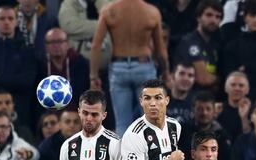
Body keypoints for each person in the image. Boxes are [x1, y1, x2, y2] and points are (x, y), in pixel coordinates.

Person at [89, 0, 170, 135]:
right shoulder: (151, 12)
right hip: (144, 67)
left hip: (118, 67)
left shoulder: (109, 10)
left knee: (122, 124)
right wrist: (166, 72)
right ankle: (152, 155)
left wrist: (93, 76)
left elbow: (96, 46)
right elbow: (160, 50)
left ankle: (125, 156)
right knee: (152, 121)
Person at [176, 90, 232, 160]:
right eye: (200, 109)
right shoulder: (183, 132)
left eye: (208, 109)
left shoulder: (222, 135)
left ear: (214, 111)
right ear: (193, 110)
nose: (204, 113)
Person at [173, 0, 223, 91]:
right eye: (209, 15)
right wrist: (221, 79)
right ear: (198, 17)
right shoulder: (190, 42)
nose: (213, 20)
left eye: (218, 17)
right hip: (190, 96)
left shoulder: (216, 43)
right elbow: (204, 79)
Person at [40, 27, 91, 110]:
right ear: (46, 46)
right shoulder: (40, 66)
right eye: (51, 42)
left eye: (60, 41)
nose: (56, 46)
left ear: (67, 44)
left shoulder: (81, 64)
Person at [166, 62, 195, 126]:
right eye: (181, 74)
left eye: (190, 75)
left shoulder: (196, 102)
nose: (186, 79)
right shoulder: (160, 99)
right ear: (173, 77)